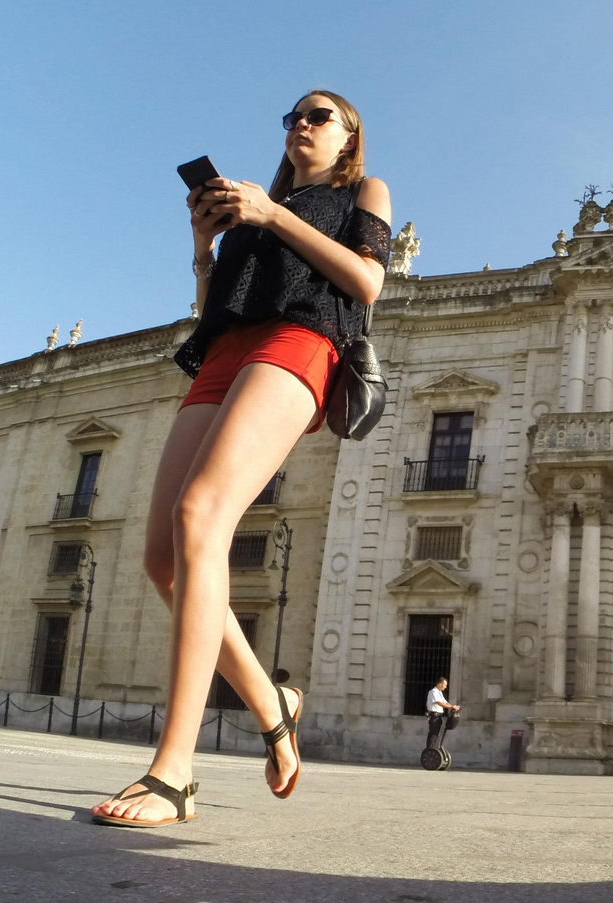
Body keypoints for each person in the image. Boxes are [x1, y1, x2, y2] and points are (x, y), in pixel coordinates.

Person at [91, 90, 392, 827]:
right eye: (291, 116)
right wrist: (205, 246)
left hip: (300, 342)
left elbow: (369, 283)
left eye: (318, 115)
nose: (300, 124)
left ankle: (173, 771)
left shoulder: (360, 192)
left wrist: (273, 216)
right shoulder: (256, 206)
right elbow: (213, 308)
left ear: (349, 133)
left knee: (203, 514)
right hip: (223, 352)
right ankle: (273, 704)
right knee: (163, 558)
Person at [426, 677, 460, 750]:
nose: (445, 687)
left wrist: (453, 706)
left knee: (437, 734)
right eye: (445, 685)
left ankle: (434, 749)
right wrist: (451, 707)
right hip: (434, 716)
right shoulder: (433, 692)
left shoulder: (439, 693)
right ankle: (430, 750)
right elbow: (439, 703)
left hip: (438, 716)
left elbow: (445, 702)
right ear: (440, 684)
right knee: (433, 734)